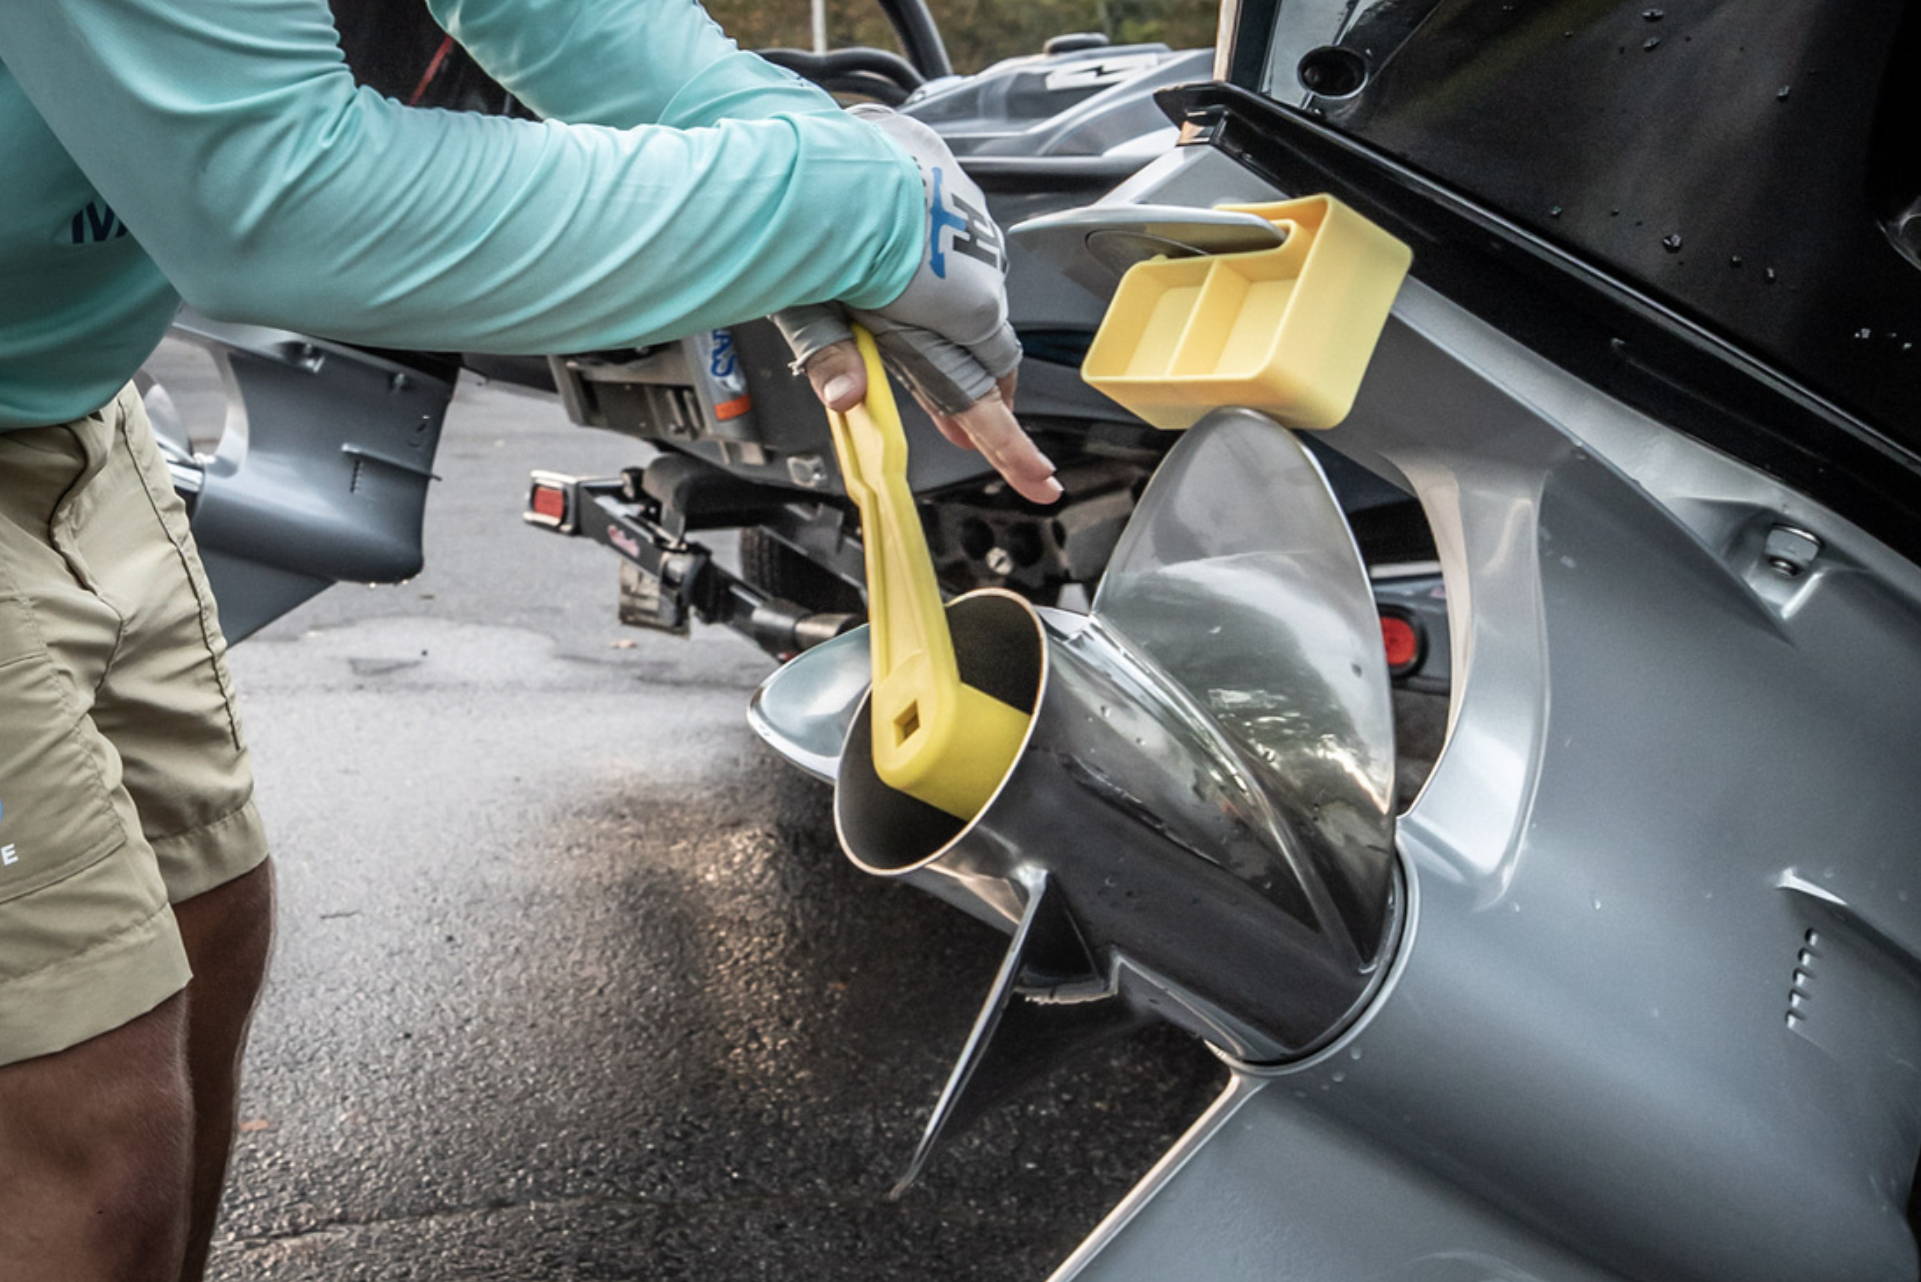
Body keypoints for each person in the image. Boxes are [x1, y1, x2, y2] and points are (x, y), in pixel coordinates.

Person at [0, 2, 1059, 1278]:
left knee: (205, 922)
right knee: (89, 1114)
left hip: (67, 415)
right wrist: (857, 210)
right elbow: (273, 199)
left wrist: (793, 163)